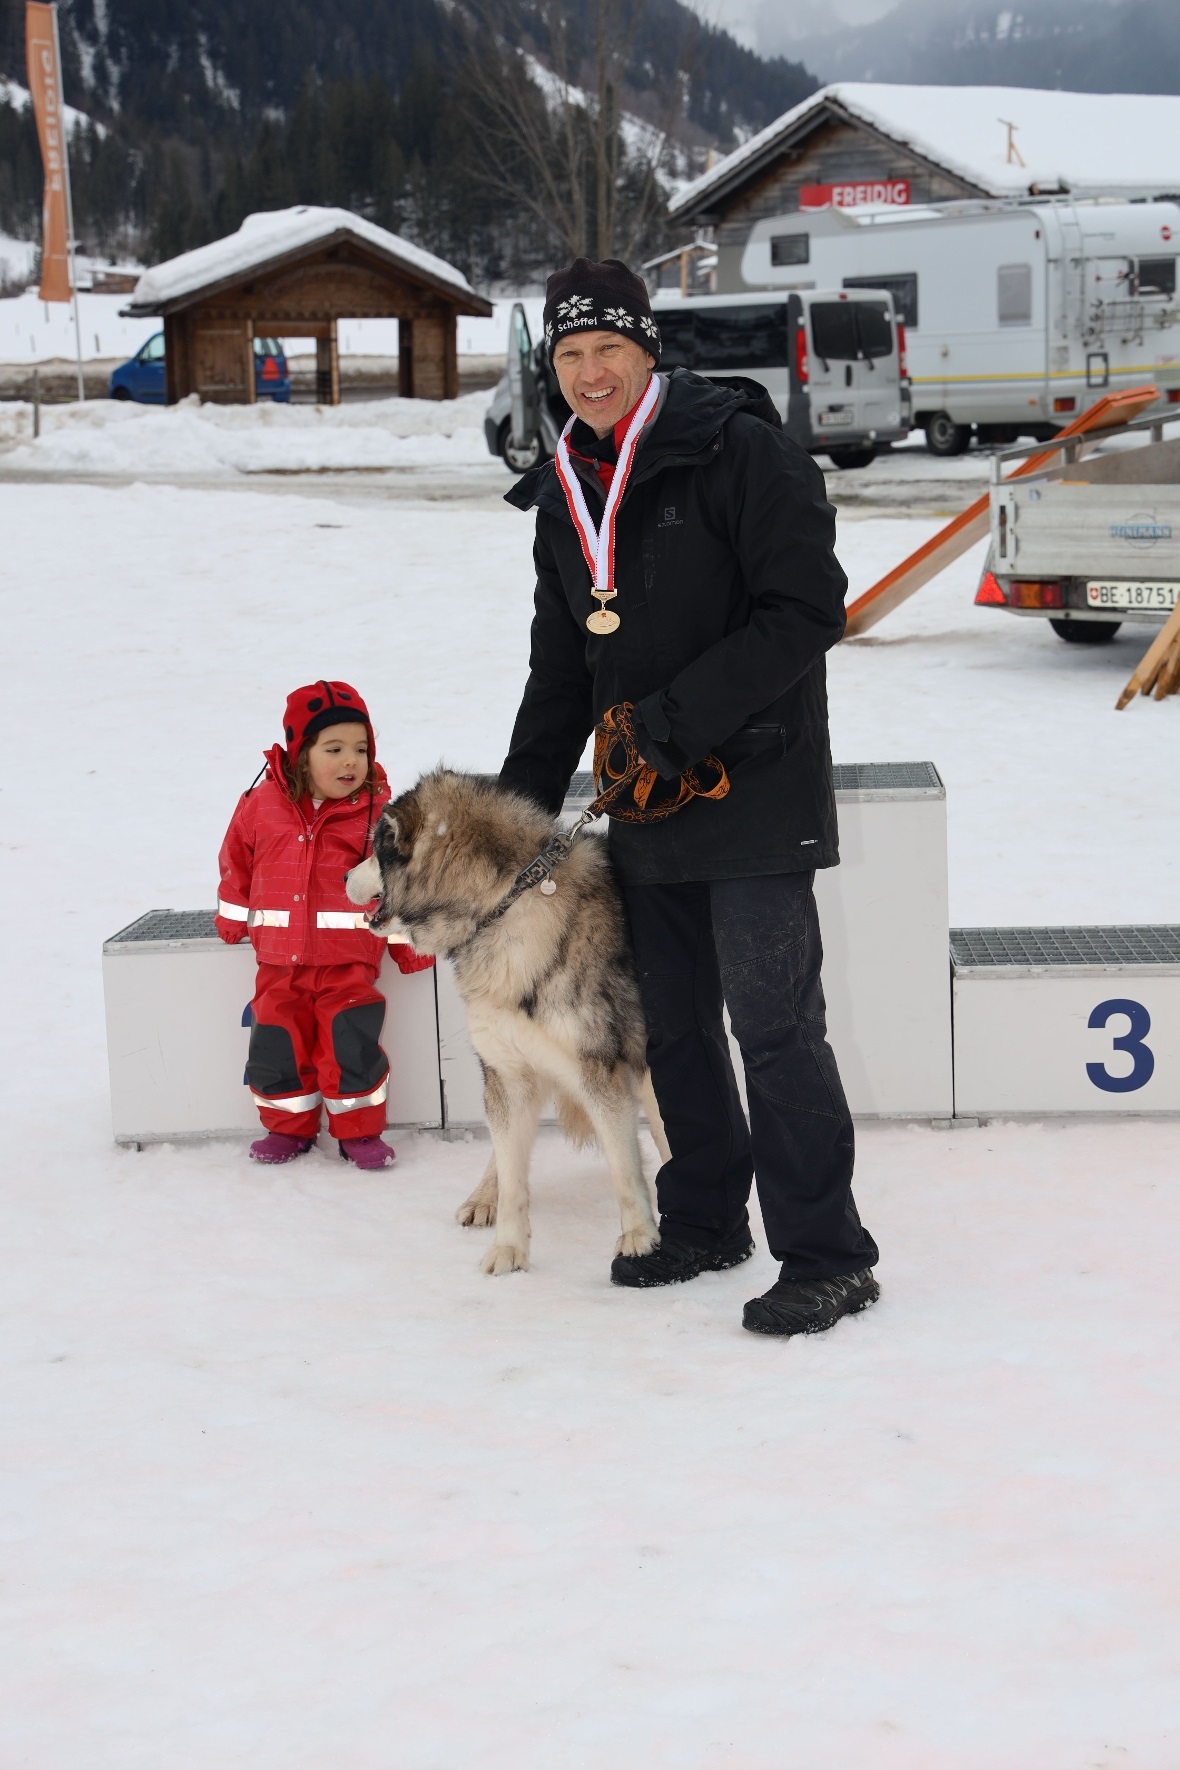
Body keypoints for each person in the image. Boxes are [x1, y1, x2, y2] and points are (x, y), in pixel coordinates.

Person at [498, 257, 880, 1337]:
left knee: (773, 1026)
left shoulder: (740, 451)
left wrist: (671, 722)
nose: (589, 373)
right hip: (646, 806)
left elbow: (809, 608)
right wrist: (519, 823)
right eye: (568, 355)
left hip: (753, 790)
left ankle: (829, 1253)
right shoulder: (566, 491)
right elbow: (561, 670)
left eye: (607, 349)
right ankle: (706, 1219)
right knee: (671, 1028)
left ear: (647, 349)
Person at [215, 680, 433, 1170]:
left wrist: (408, 945)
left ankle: (359, 1132)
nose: (350, 761)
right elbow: (236, 863)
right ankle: (287, 1129)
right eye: (333, 749)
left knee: (349, 1045)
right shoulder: (259, 806)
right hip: (277, 964)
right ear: (300, 753)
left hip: (346, 964)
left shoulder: (378, 814)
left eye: (360, 748)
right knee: (277, 1045)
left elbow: (395, 886)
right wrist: (232, 919)